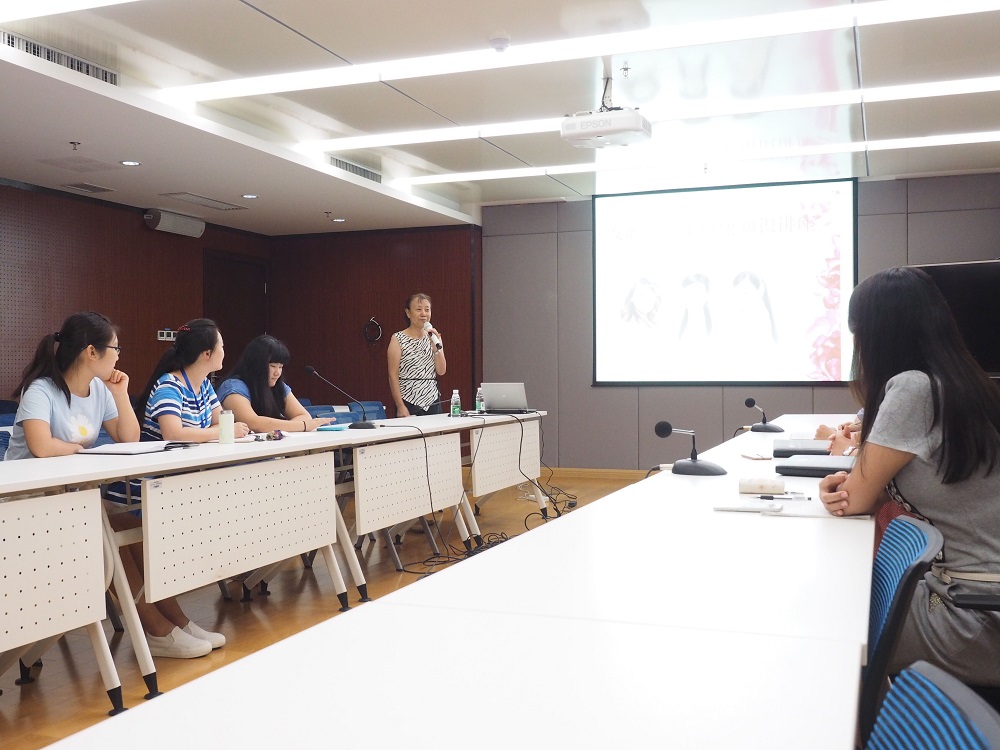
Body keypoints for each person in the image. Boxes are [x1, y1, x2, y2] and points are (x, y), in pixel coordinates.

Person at [818, 266, 1000, 685]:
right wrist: (854, 487)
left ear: (875, 334)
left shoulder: (913, 388)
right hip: (960, 594)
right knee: (836, 599)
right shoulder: (957, 382)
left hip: (974, 613)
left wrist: (849, 489)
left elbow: (855, 499)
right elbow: (868, 490)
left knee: (825, 621)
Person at [5, 312, 222, 659]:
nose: (119, 356)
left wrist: (120, 393)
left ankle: (177, 620)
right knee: (109, 535)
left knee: (129, 527)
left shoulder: (98, 390)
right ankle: (155, 628)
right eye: (115, 349)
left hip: (70, 497)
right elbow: (41, 446)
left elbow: (129, 438)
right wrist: (82, 451)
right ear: (92, 352)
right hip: (25, 503)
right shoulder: (42, 389)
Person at [135, 318, 250, 443]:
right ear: (207, 354)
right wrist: (226, 431)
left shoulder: (205, 385)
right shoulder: (169, 386)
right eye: (221, 346)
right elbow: (173, 435)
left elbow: (220, 422)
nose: (224, 352)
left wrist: (219, 430)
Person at [217, 334, 333, 432]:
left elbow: (304, 416)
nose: (277, 373)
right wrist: (303, 426)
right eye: (272, 366)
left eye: (280, 366)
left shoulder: (278, 386)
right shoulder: (233, 386)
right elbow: (253, 423)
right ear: (255, 365)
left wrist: (281, 429)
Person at [387, 293, 446, 417]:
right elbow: (393, 374)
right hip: (408, 399)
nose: (423, 314)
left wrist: (436, 349)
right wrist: (400, 406)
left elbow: (441, 371)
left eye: (427, 310)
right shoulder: (398, 339)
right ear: (408, 313)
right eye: (419, 309)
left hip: (432, 400)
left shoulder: (434, 337)